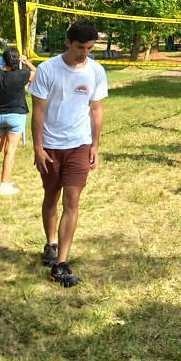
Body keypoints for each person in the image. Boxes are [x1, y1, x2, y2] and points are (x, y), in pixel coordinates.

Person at [28, 21, 108, 288]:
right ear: (67, 42)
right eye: (79, 47)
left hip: (79, 145)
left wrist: (95, 145)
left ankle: (61, 263)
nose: (84, 53)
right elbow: (38, 110)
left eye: (89, 48)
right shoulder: (48, 70)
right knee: (51, 196)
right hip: (51, 146)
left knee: (72, 200)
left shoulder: (96, 71)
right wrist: (38, 147)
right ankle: (51, 243)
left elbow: (96, 110)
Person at [0, 47, 37, 196]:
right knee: (9, 151)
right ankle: (4, 185)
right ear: (17, 60)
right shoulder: (22, 74)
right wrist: (27, 62)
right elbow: (38, 74)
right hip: (16, 115)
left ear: (3, 59)